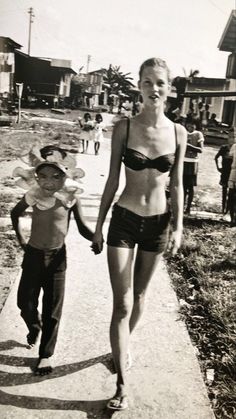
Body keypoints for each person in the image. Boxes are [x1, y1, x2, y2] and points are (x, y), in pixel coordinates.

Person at [92, 57, 187, 410]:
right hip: (125, 220)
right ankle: (122, 385)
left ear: (169, 88)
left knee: (141, 297)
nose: (154, 88)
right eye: (147, 82)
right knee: (123, 303)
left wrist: (178, 227)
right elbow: (113, 180)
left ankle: (120, 349)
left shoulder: (178, 132)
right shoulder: (124, 128)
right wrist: (99, 226)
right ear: (140, 87)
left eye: (160, 82)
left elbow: (176, 185)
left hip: (158, 224)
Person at [11, 145, 94, 375]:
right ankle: (34, 325)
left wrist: (96, 238)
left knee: (52, 309)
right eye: (43, 176)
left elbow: (83, 227)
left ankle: (45, 355)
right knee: (25, 303)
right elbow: (14, 213)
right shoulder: (34, 196)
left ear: (65, 177)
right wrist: (21, 238)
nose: (49, 182)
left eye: (56, 177)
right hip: (33, 255)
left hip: (57, 258)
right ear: (36, 177)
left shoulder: (70, 199)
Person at [183, 121, 204, 214]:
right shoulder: (183, 133)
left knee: (190, 187)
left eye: (192, 124)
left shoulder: (198, 134)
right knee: (182, 186)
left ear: (196, 125)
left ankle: (188, 208)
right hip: (183, 162)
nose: (190, 126)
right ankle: (181, 206)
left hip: (192, 163)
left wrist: (189, 146)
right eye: (189, 124)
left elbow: (200, 150)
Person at [214, 137, 233, 214]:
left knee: (231, 192)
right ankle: (222, 209)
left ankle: (228, 210)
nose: (232, 139)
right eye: (231, 137)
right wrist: (218, 167)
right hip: (224, 172)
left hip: (232, 172)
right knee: (224, 191)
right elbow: (216, 157)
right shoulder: (224, 148)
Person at [227, 127, 236, 226]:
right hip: (234, 172)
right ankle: (232, 218)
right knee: (232, 195)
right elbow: (230, 157)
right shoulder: (234, 146)